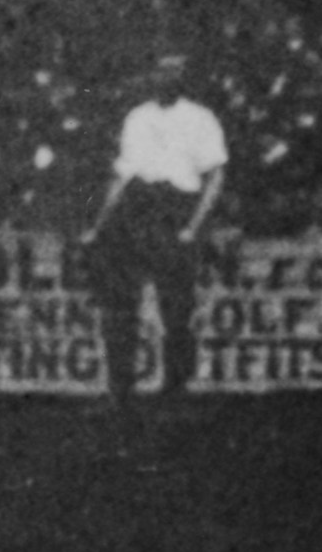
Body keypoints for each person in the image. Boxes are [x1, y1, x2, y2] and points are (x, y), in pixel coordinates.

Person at [82, 45, 230, 399]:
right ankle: (121, 388)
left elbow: (215, 176)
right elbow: (122, 177)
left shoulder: (201, 118)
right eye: (162, 69)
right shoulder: (136, 117)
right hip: (136, 208)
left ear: (185, 76)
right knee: (119, 302)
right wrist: (99, 225)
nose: (168, 76)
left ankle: (175, 388)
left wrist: (193, 226)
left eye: (176, 69)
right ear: (151, 75)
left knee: (176, 306)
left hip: (175, 208)